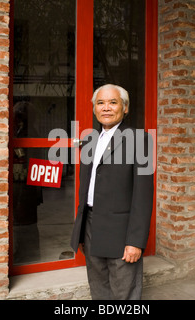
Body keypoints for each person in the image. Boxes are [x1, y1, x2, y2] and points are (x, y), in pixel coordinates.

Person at [70, 84, 154, 300]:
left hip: (121, 231)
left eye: (112, 102)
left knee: (124, 293)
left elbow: (143, 195)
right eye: (100, 103)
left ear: (125, 108)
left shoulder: (139, 139)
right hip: (91, 225)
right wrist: (80, 229)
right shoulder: (89, 140)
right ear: (94, 109)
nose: (106, 108)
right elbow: (86, 187)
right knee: (98, 289)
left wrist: (136, 241)